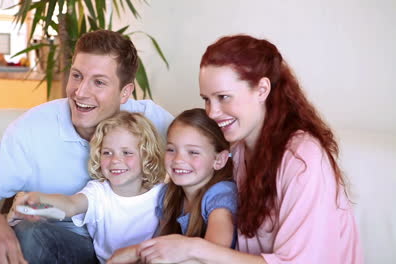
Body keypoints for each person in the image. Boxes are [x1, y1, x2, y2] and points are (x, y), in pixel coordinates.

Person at [0, 30, 173, 263]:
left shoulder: (153, 122)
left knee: (31, 236)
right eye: (76, 75)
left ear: (125, 92)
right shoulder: (32, 128)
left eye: (99, 82)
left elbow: (203, 161)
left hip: (79, 247)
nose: (80, 92)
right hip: (43, 229)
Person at [132, 34, 364, 263]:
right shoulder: (239, 150)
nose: (212, 113)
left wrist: (194, 248)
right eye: (207, 99)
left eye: (223, 97)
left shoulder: (303, 158)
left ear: (262, 89)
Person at [14, 111, 166, 264]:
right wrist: (36, 202)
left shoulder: (162, 194)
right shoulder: (99, 192)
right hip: (101, 261)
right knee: (28, 229)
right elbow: (71, 205)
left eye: (126, 152)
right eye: (107, 152)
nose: (115, 160)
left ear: (147, 156)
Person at [108, 108, 237, 264]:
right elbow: (159, 249)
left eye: (193, 152)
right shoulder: (168, 195)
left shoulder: (220, 194)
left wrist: (136, 251)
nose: (178, 159)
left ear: (219, 160)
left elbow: (213, 254)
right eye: (171, 149)